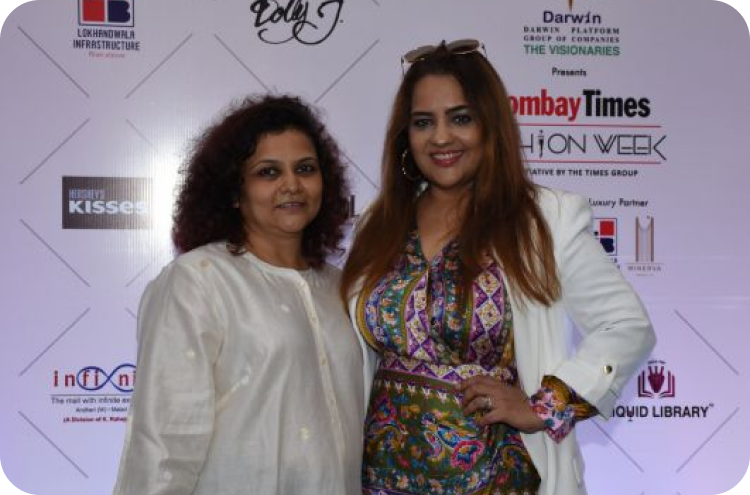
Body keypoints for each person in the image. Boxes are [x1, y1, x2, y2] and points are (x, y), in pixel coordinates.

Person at [340, 40, 656, 495]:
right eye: (423, 122)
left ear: (491, 126)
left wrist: (547, 405)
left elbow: (626, 326)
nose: (441, 137)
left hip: (498, 481)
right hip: (380, 480)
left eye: (460, 118)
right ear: (405, 136)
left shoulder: (544, 219)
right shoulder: (379, 222)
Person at [112, 95, 364, 495]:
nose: (292, 185)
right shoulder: (198, 281)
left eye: (305, 168)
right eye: (268, 172)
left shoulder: (341, 288)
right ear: (234, 191)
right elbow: (165, 441)